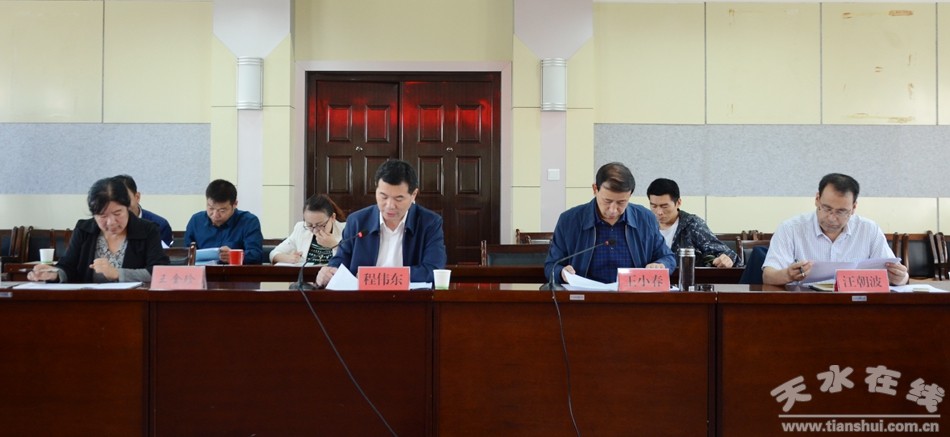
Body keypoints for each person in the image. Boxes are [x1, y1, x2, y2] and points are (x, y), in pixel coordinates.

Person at [315, 160, 446, 286]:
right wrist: (328, 272)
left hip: (409, 298)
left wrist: (378, 276)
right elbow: (340, 262)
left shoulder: (429, 223)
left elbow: (433, 269)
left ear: (413, 195)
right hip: (364, 298)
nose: (390, 205)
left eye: (399, 199)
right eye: (383, 196)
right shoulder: (357, 221)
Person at [762, 173, 909, 286]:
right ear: (817, 199)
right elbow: (768, 276)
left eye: (841, 212)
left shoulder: (869, 229)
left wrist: (900, 278)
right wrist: (788, 275)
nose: (832, 218)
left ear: (854, 208)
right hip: (805, 305)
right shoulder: (790, 228)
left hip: (855, 305)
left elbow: (896, 274)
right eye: (827, 208)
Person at [545, 162, 675, 285]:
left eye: (621, 202)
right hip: (586, 295)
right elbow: (551, 266)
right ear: (595, 189)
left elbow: (668, 257)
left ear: (630, 195)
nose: (613, 209)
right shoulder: (569, 220)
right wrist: (561, 273)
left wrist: (660, 265)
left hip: (632, 296)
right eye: (607, 201)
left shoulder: (645, 219)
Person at [28, 177, 169, 283]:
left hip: (133, 304)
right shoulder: (84, 230)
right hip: (88, 303)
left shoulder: (148, 230)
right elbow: (68, 266)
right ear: (94, 215)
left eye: (117, 213)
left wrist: (117, 273)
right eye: (103, 216)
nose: (111, 222)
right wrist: (54, 273)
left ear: (127, 208)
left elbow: (158, 272)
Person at [646, 178, 738, 268]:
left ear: (678, 203)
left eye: (664, 206)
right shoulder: (645, 226)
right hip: (650, 277)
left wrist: (727, 259)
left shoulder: (692, 224)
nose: (659, 212)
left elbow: (725, 253)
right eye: (654, 206)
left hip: (687, 277)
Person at [183, 179, 264, 264]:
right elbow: (185, 255)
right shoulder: (196, 221)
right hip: (203, 271)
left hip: (234, 271)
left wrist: (234, 256)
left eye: (222, 210)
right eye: (211, 208)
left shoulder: (249, 222)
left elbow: (256, 255)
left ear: (235, 204)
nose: (215, 215)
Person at [270, 194, 347, 265]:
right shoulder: (301, 228)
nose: (315, 230)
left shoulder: (346, 230)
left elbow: (352, 260)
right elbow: (274, 254)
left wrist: (335, 245)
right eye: (309, 225)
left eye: (320, 225)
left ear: (333, 217)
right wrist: (289, 258)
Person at [113, 174, 174, 247]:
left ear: (137, 197)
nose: (121, 206)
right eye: (115, 201)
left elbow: (165, 253)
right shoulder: (107, 225)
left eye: (125, 199)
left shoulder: (159, 225)